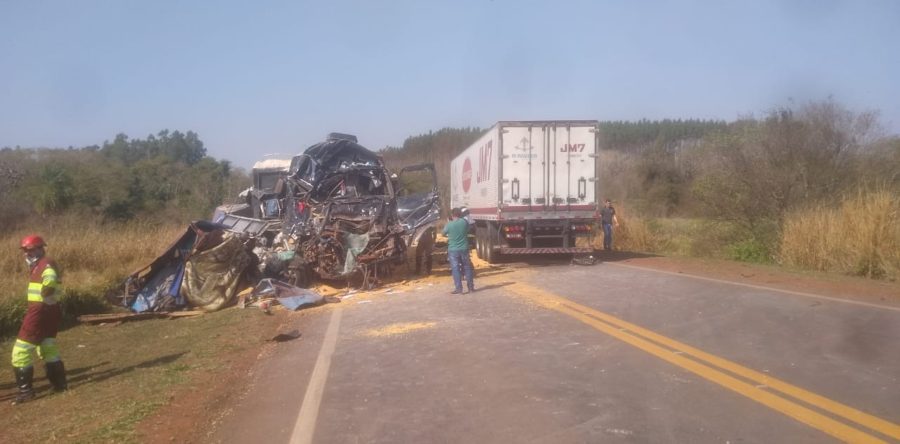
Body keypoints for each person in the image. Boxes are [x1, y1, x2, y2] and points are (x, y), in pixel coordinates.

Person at [10, 235, 67, 405]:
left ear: (40, 249)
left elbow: (50, 278)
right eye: (25, 251)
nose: (26, 254)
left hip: (39, 311)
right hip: (50, 310)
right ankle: (60, 385)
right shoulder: (40, 265)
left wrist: (46, 292)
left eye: (29, 250)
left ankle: (26, 392)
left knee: (20, 351)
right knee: (48, 347)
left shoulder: (45, 264)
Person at [442, 208, 475, 294]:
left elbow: (443, 233)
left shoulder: (449, 224)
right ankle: (471, 288)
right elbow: (468, 230)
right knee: (467, 267)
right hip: (464, 248)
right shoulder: (464, 222)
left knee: (455, 269)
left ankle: (459, 289)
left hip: (453, 249)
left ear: (452, 215)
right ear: (460, 214)